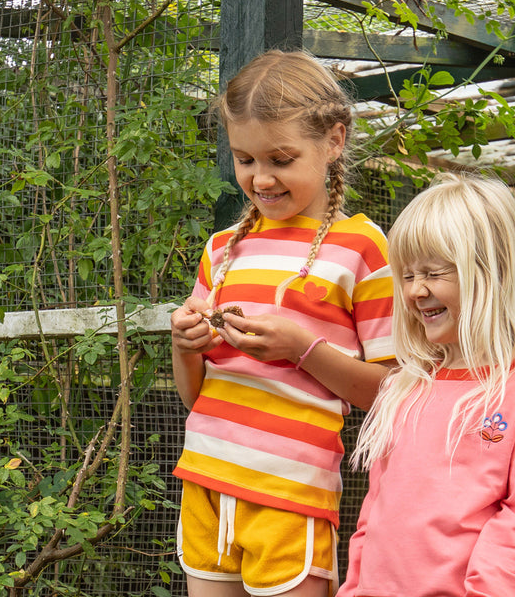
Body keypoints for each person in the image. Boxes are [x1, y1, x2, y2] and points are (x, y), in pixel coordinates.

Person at [170, 49, 395, 597]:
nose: (261, 178)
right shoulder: (222, 249)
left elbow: (392, 397)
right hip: (204, 483)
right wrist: (185, 345)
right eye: (245, 160)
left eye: (281, 158)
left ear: (334, 141)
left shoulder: (363, 248)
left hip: (292, 494)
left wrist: (303, 348)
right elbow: (192, 395)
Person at [337, 172, 515, 597]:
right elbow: (372, 516)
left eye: (433, 273)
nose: (416, 291)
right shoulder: (405, 389)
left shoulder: (507, 390)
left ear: (492, 272)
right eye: (408, 275)